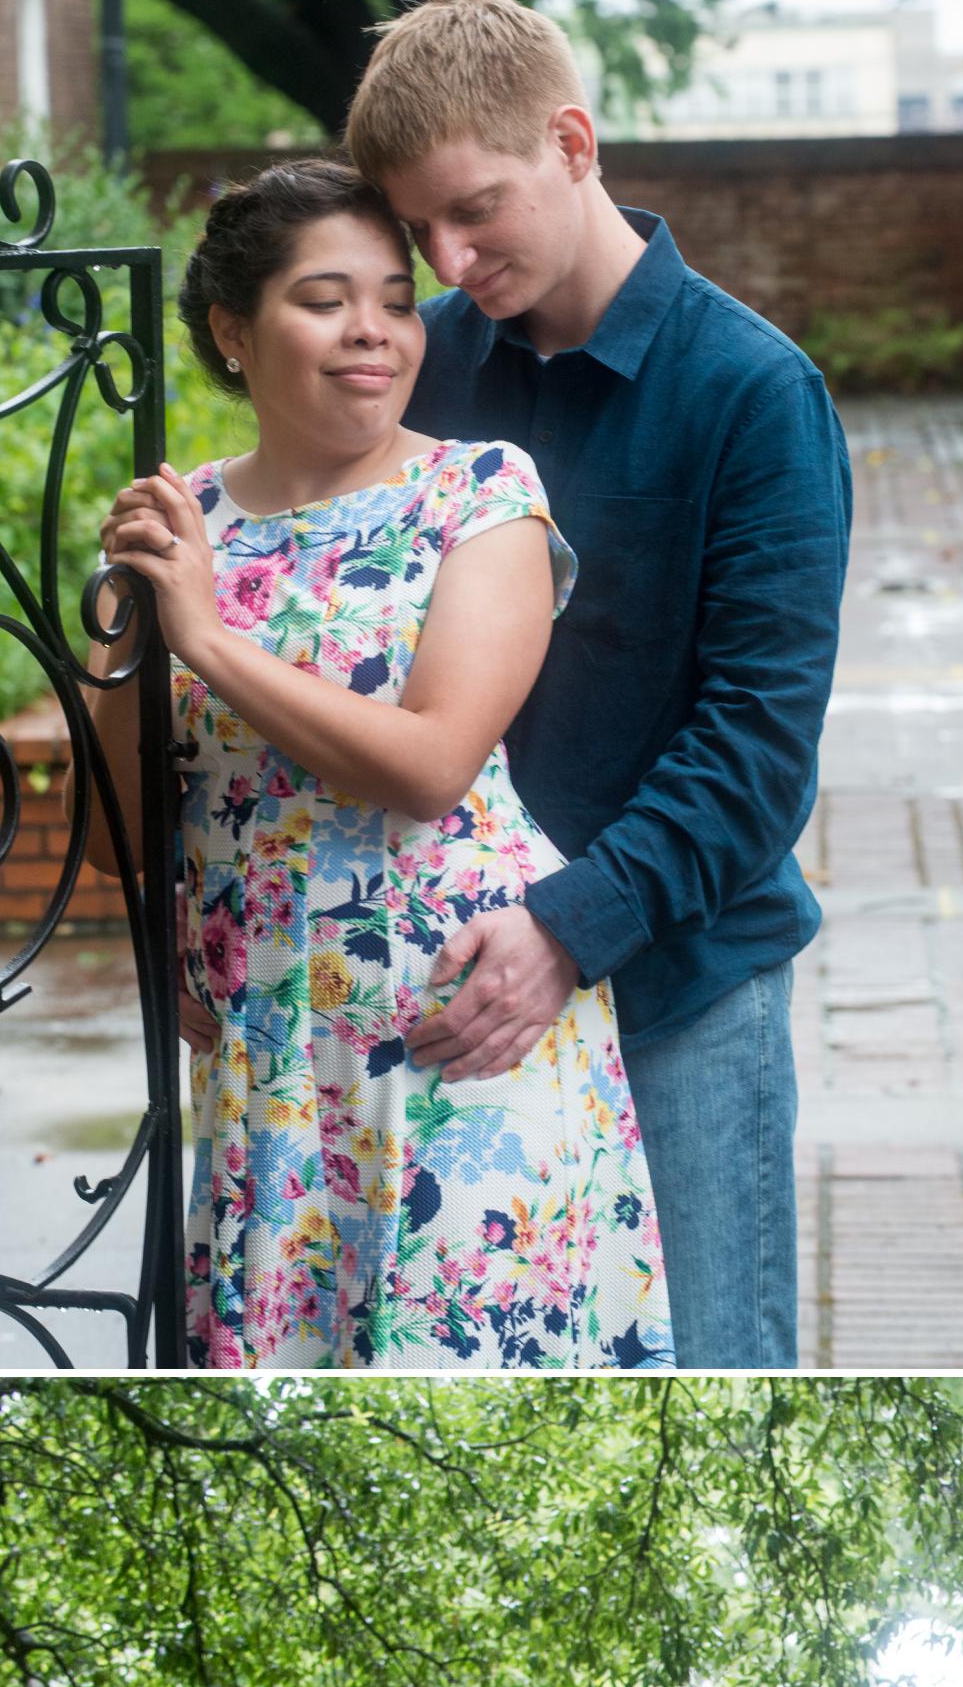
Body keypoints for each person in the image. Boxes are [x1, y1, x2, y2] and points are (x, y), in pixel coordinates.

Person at [342, 0, 854, 1370]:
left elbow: (757, 751)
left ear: (572, 140)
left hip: (684, 990)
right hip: (460, 990)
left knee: (710, 1372)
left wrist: (569, 925)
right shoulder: (429, 370)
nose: (448, 258)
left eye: (477, 209)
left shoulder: (755, 393)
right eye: (421, 229)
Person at [91, 159, 668, 1371]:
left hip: (459, 1035)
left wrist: (206, 637)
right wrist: (127, 645)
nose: (374, 332)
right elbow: (124, 828)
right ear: (232, 334)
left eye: (396, 300)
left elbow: (430, 765)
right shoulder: (184, 523)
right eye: (324, 298)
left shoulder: (480, 493)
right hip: (268, 1058)